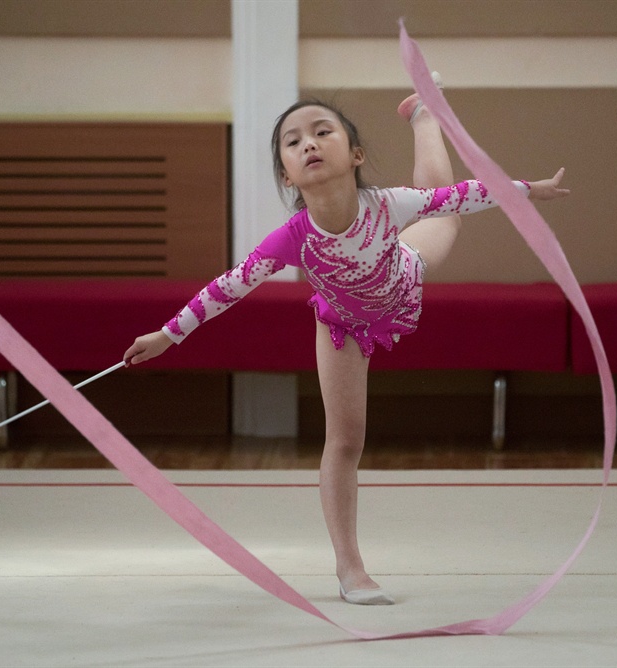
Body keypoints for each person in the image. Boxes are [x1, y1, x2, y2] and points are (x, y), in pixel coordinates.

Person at [124, 80, 570, 605]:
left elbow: (464, 195)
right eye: (293, 142)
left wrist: (525, 189)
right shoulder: (291, 239)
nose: (308, 143)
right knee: (345, 440)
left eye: (321, 131)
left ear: (355, 154)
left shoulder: (387, 205)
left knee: (440, 213)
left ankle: (425, 117)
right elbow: (229, 286)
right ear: (287, 174)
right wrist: (167, 334)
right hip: (342, 323)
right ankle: (349, 567)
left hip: (402, 276)